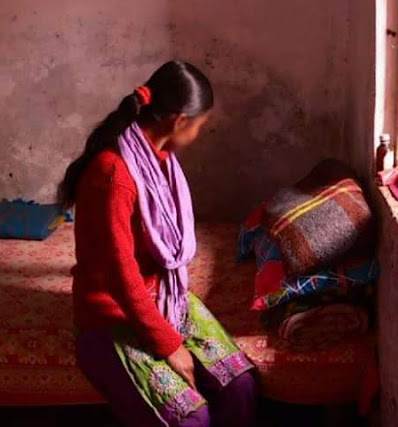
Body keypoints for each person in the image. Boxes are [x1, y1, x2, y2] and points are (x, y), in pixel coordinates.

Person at [58, 61, 257, 427]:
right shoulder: (113, 174)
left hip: (166, 296)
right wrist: (169, 345)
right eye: (199, 125)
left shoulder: (159, 161)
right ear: (180, 121)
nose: (199, 133)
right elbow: (120, 275)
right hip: (110, 315)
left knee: (240, 387)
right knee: (191, 419)